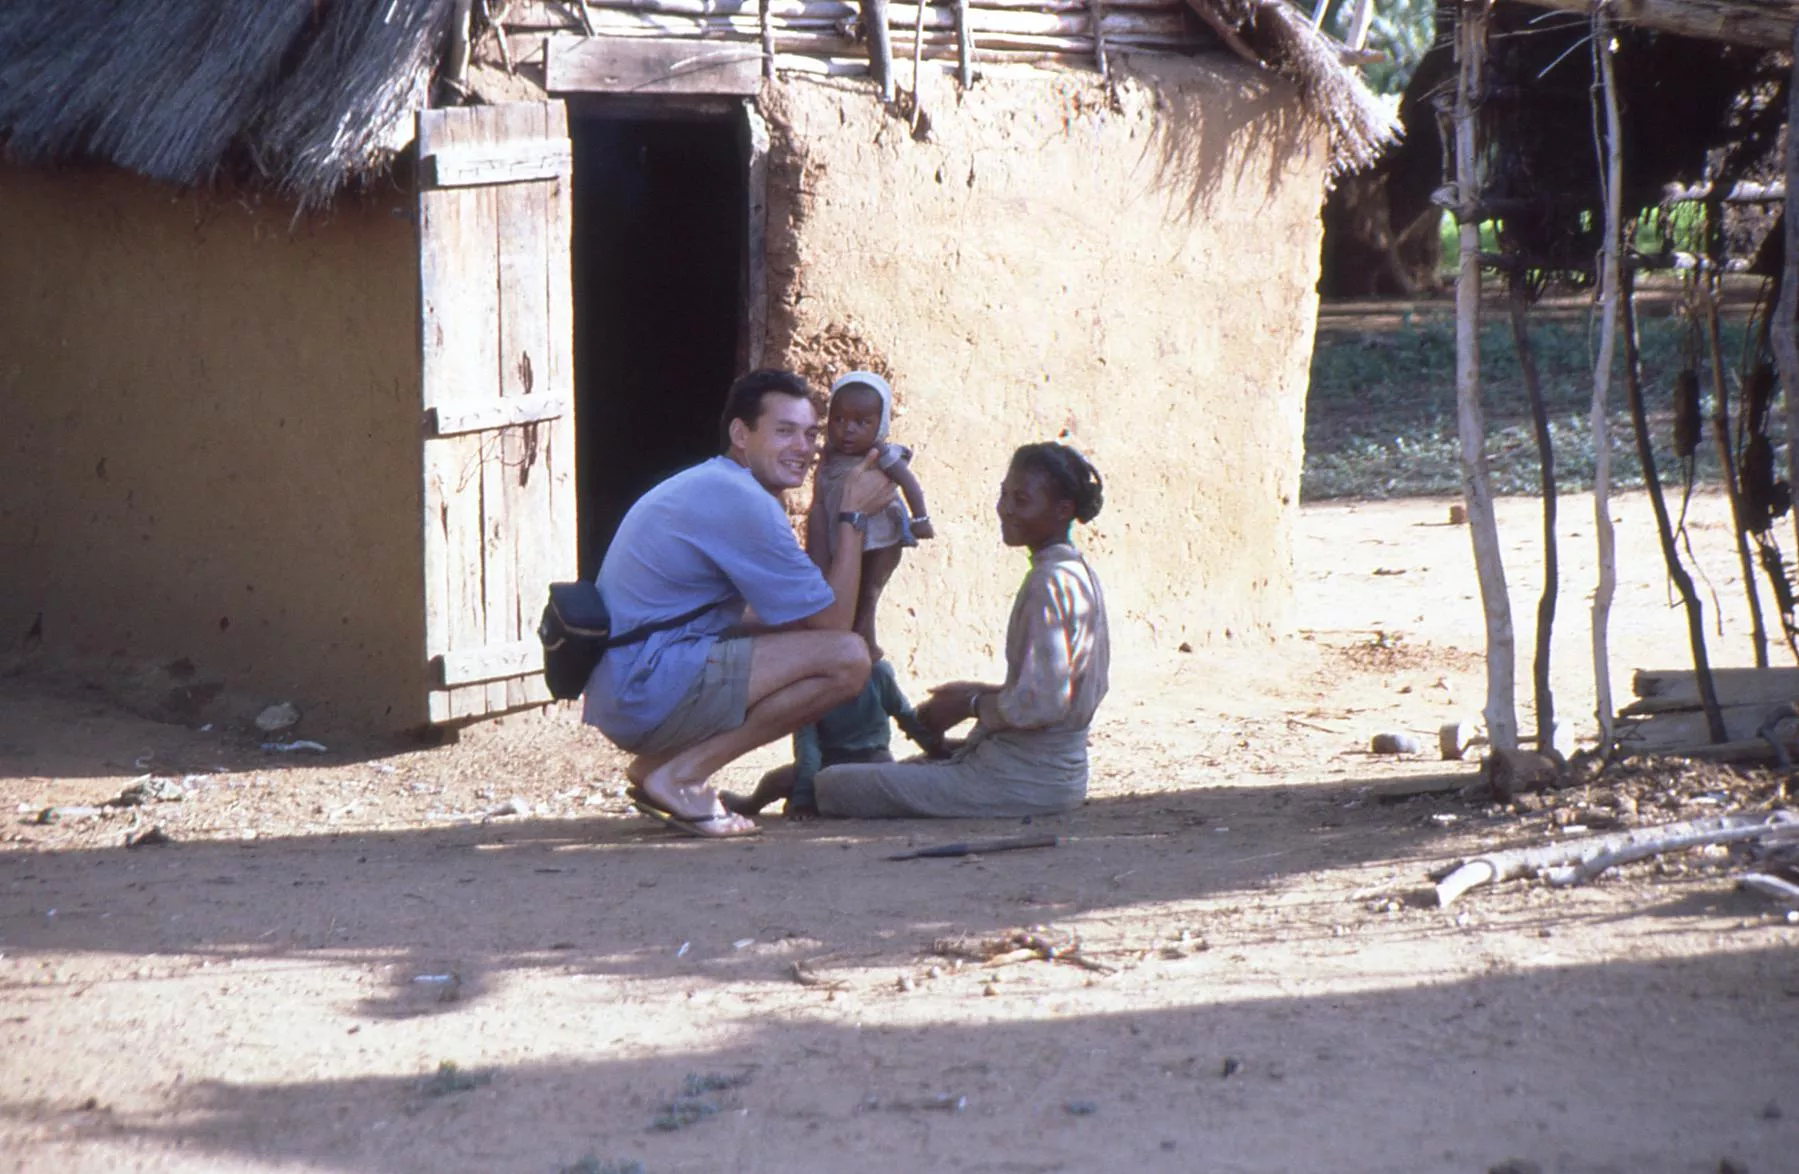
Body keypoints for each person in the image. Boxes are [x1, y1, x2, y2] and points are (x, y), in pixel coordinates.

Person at [583, 369, 897, 837]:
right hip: (645, 686)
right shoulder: (741, 499)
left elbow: (790, 615)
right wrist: (853, 516)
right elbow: (835, 625)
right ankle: (683, 775)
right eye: (784, 431)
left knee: (808, 641)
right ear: (740, 434)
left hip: (629, 684)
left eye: (810, 434)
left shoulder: (716, 483)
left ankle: (658, 767)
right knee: (848, 659)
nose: (804, 448)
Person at [813, 442, 1111, 818]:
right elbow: (1058, 690)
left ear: (1063, 510)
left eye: (1021, 500)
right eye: (1004, 495)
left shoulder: (1048, 582)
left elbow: (1042, 704)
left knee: (832, 784)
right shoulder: (1077, 574)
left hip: (1024, 782)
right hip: (1050, 776)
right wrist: (974, 693)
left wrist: (969, 705)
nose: (1005, 508)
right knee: (896, 772)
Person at [804, 372, 933, 660]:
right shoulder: (829, 455)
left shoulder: (880, 455)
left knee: (867, 593)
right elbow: (820, 496)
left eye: (861, 422)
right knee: (841, 590)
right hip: (842, 533)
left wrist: (921, 519)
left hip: (879, 538)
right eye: (839, 419)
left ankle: (865, 645)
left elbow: (909, 482)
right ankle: (847, 643)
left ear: (880, 425)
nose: (848, 430)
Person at [721, 659, 945, 819]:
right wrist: (936, 749)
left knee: (778, 780)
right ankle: (755, 803)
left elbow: (808, 750)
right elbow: (907, 718)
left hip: (838, 768)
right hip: (870, 764)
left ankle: (753, 804)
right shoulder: (877, 671)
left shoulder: (814, 684)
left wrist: (803, 797)